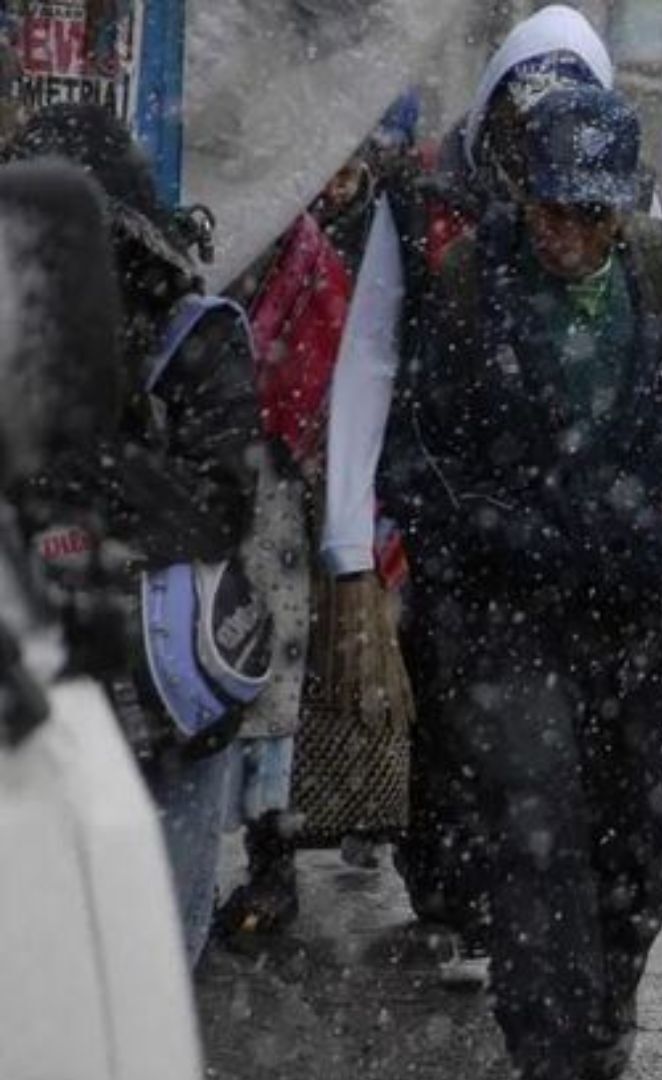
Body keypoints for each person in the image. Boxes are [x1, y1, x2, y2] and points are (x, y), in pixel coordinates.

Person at [384, 84, 662, 1080]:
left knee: (647, 839)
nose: (569, 230)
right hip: (513, 621)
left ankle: (604, 1006)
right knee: (535, 835)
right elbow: (418, 458)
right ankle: (550, 1048)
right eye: (553, 206)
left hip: (648, 616)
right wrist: (502, 528)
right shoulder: (472, 283)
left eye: (591, 210)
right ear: (522, 194)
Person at [2, 105, 264, 968]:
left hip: (164, 696)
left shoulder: (199, 333)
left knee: (149, 960)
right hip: (35, 691)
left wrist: (87, 473)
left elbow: (218, 505)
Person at [387, 5, 620, 966]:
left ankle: (537, 917)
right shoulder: (428, 213)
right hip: (458, 526)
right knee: (453, 714)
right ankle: (457, 895)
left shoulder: (631, 221)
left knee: (566, 752)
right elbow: (375, 366)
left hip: (590, 550)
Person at [213, 99, 423, 945]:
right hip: (213, 490)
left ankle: (273, 862)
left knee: (271, 684)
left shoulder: (314, 259)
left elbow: (341, 375)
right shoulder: (250, 249)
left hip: (280, 506)